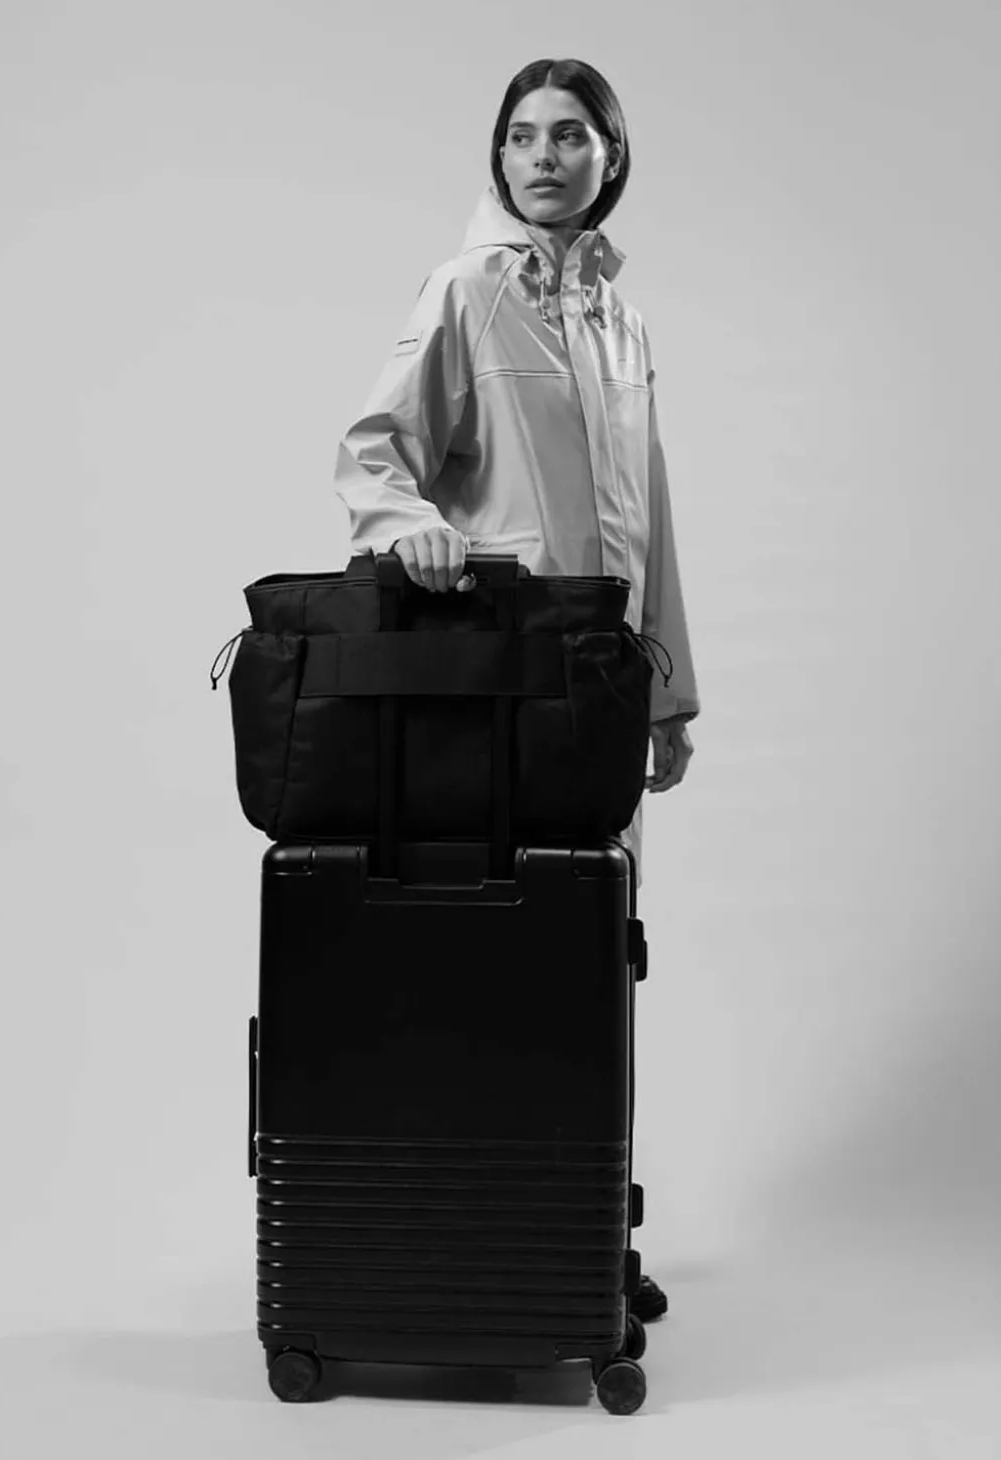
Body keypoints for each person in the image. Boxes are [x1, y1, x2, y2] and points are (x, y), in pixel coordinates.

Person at [331, 58, 700, 1325]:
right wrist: (410, 530)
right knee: (509, 959)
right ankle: (478, 1250)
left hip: (602, 683)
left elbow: (651, 514)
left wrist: (670, 692)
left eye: (570, 135)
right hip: (498, 688)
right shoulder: (466, 290)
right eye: (522, 136)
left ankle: (584, 1236)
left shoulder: (622, 322)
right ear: (497, 158)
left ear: (610, 155)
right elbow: (372, 451)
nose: (543, 157)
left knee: (602, 956)